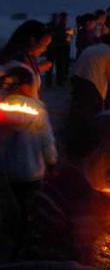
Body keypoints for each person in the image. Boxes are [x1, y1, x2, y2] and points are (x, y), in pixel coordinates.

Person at [0, 65, 57, 217]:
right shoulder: (37, 110)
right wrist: (51, 162)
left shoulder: (2, 107)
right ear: (25, 86)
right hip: (32, 171)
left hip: (7, 170)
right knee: (31, 210)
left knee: (10, 211)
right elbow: (47, 140)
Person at [66, 34, 110, 159]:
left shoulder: (91, 48)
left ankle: (76, 139)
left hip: (76, 79)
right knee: (94, 114)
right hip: (91, 83)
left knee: (80, 111)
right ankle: (90, 145)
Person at [0, 20, 53, 97]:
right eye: (44, 45)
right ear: (32, 41)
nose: (45, 49)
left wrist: (39, 68)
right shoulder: (16, 65)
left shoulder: (29, 57)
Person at [46, 12, 72, 86]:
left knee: (59, 66)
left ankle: (59, 82)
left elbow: (64, 36)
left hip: (59, 49)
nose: (58, 19)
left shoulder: (62, 26)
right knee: (51, 67)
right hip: (52, 49)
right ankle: (50, 82)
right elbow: (53, 37)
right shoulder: (50, 26)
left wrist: (68, 36)